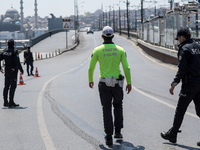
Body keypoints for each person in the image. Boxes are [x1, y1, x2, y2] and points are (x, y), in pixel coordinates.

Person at [88, 26, 132, 145]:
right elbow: (127, 68)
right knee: (118, 106)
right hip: (117, 84)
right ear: (113, 36)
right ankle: (118, 132)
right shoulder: (120, 50)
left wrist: (90, 80)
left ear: (102, 36)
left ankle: (108, 136)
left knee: (106, 109)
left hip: (104, 84)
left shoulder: (97, 50)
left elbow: (91, 67)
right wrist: (129, 82)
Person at [160, 28, 200, 147]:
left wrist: (173, 84)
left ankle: (173, 135)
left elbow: (182, 69)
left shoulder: (184, 48)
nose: (178, 41)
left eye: (178, 38)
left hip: (189, 85)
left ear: (182, 37)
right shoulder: (198, 46)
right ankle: (172, 133)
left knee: (180, 111)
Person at [0, 39, 24, 107]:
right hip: (13, 71)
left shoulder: (4, 51)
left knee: (6, 86)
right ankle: (11, 102)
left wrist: (0, 68)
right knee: (13, 86)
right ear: (13, 44)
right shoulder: (14, 51)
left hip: (7, 71)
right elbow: (17, 61)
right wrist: (21, 70)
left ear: (8, 44)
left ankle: (5, 102)